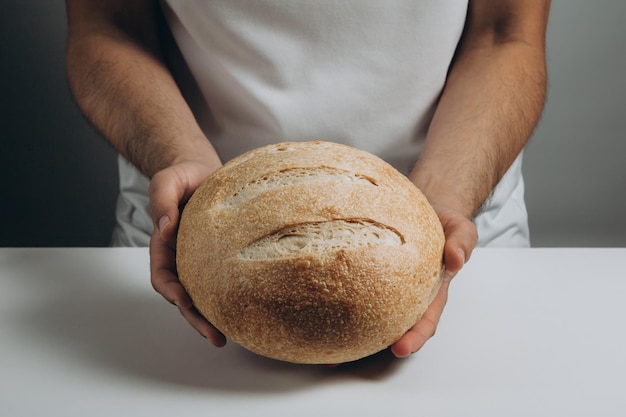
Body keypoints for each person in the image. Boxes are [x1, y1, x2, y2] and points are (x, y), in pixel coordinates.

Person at [64, 0, 550, 359]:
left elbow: (506, 34)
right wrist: (182, 159)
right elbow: (108, 26)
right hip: (187, 230)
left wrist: (445, 199)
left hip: (456, 228)